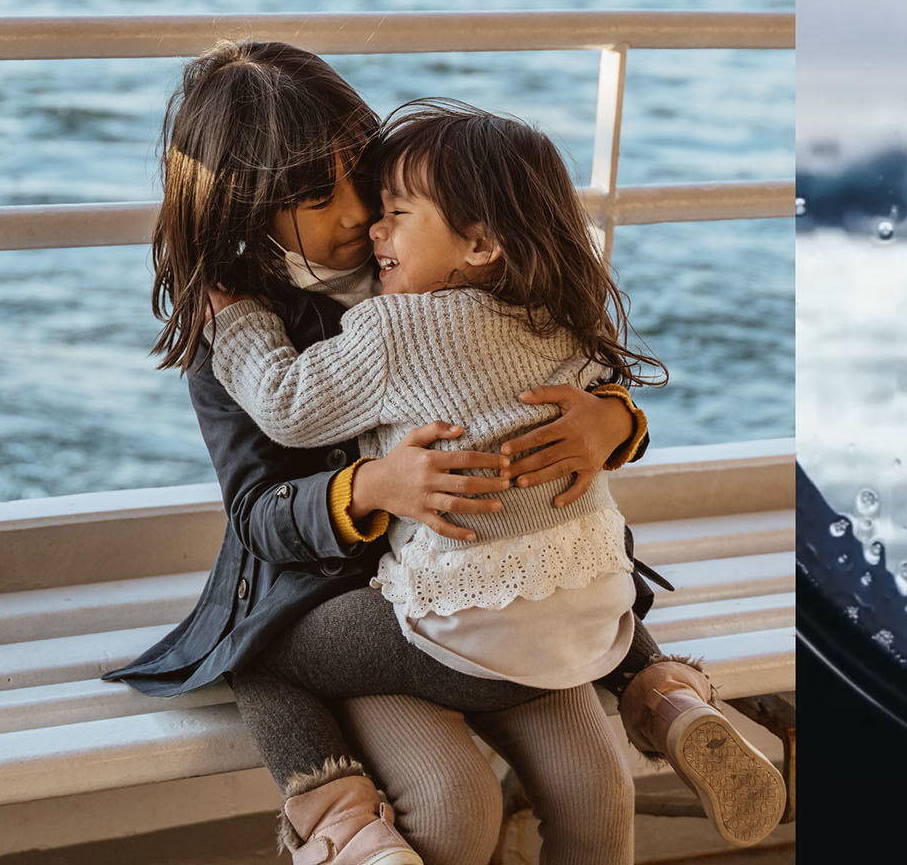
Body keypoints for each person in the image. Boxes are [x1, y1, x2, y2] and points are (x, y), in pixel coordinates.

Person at [106, 42, 663, 865]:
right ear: (241, 204)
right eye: (312, 193)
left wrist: (612, 422)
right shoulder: (238, 329)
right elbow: (257, 514)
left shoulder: (421, 258)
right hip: (339, 598)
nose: (358, 214)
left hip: (456, 590)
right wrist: (368, 486)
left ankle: (659, 688)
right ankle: (662, 697)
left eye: (363, 178)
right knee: (454, 805)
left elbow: (550, 364)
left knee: (597, 785)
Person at [203, 98, 784, 862]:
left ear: (478, 242)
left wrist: (237, 324)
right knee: (595, 798)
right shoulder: (557, 312)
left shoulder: (396, 326)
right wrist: (616, 419)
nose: (372, 226)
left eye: (393, 212)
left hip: (458, 633)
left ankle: (340, 825)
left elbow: (285, 403)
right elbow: (606, 390)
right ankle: (665, 698)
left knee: (255, 648)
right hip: (587, 617)